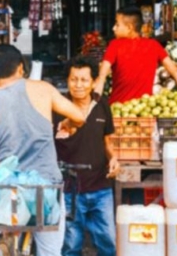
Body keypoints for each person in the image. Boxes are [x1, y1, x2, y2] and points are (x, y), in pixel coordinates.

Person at [0, 44, 87, 256]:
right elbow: (80, 116)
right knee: (50, 251)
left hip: (8, 189)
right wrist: (68, 124)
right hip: (45, 187)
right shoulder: (42, 89)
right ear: (21, 68)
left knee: (5, 236)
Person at [54, 56, 119, 256]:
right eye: (74, 79)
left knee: (108, 243)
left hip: (101, 188)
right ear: (67, 81)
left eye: (84, 80)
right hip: (70, 189)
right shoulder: (58, 107)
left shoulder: (102, 106)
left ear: (92, 83)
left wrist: (114, 158)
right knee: (71, 245)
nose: (78, 85)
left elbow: (107, 141)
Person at [93, 7, 177, 103]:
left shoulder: (115, 45)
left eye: (117, 25)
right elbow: (175, 72)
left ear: (129, 28)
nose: (113, 28)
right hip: (145, 110)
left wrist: (94, 103)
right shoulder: (154, 45)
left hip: (118, 108)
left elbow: (102, 77)